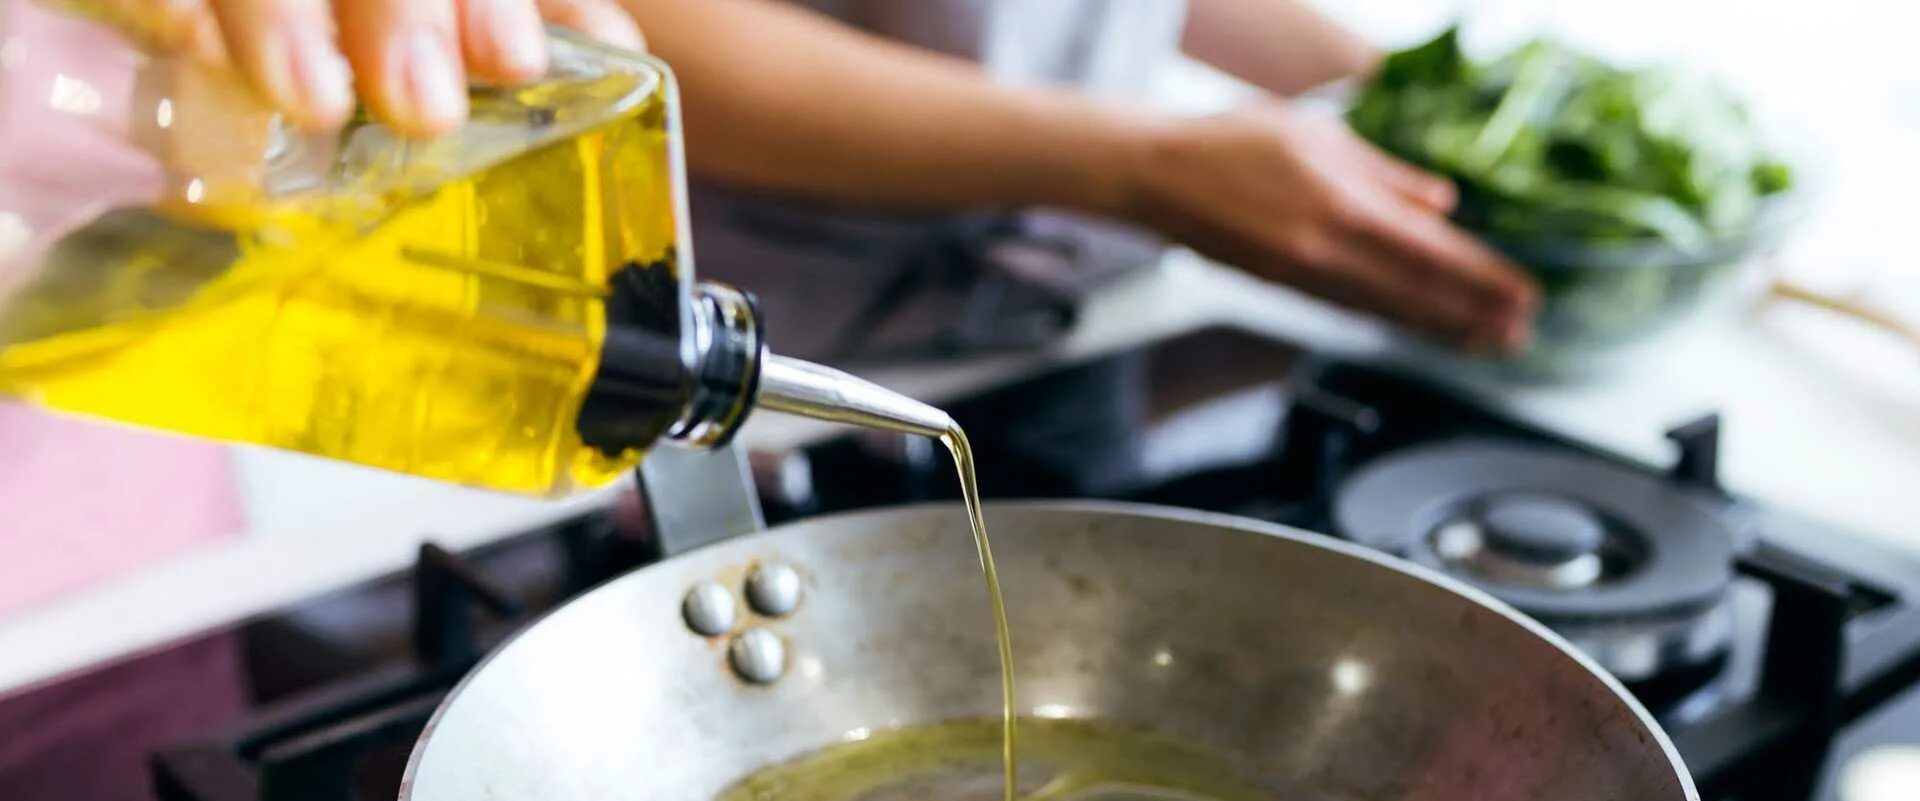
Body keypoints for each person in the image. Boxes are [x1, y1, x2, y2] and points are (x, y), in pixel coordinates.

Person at [181, 0, 1536, 351]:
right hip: (756, 309)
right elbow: (636, 43)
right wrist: (1134, 162)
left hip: (1064, 293)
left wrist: (1392, 87)